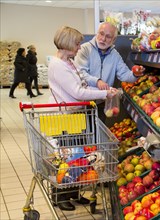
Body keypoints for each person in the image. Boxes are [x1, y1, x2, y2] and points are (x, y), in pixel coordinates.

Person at [48, 26, 117, 211]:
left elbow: (83, 83)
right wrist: (104, 94)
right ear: (68, 43)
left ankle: (74, 192)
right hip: (64, 118)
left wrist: (103, 90)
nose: (79, 47)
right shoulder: (57, 65)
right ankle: (60, 195)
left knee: (79, 157)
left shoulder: (69, 62)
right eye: (77, 43)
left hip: (75, 117)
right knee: (69, 158)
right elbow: (77, 92)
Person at [75, 22, 144, 121]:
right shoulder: (84, 49)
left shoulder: (114, 55)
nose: (103, 39)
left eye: (108, 36)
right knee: (83, 134)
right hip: (83, 102)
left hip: (101, 102)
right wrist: (97, 81)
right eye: (101, 34)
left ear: (114, 39)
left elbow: (124, 74)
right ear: (97, 33)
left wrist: (135, 74)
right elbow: (80, 74)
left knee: (98, 132)